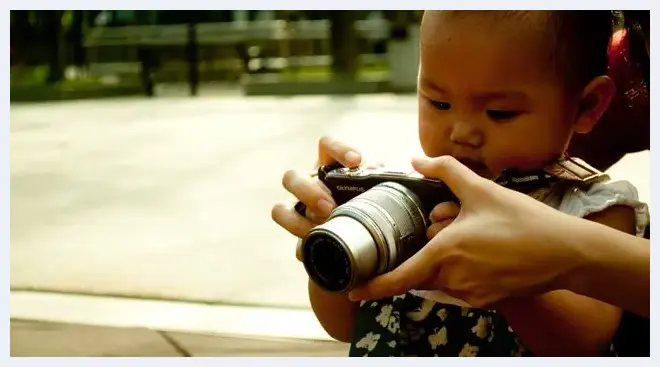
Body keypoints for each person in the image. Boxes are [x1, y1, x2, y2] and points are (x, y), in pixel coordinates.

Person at [272, 11, 650, 356]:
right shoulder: (408, 199)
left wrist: (505, 282)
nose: (461, 132)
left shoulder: (595, 208)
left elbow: (582, 343)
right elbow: (341, 325)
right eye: (438, 103)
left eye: (499, 112)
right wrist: (335, 236)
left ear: (588, 106)